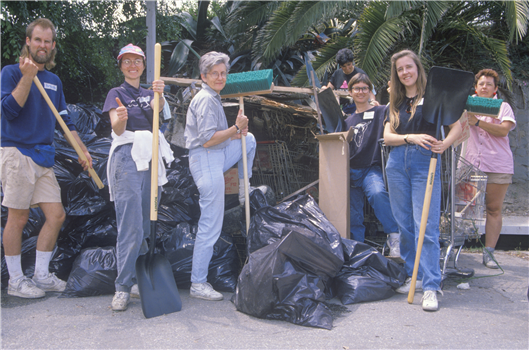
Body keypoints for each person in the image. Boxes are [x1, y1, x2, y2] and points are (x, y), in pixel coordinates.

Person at [0, 18, 92, 298]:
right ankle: (16, 281)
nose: (42, 45)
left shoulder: (54, 81)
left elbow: (66, 122)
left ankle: (40, 275)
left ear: (53, 46)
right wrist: (28, 76)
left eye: (47, 41)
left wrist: (82, 149)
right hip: (16, 152)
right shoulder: (11, 73)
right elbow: (9, 111)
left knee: (56, 215)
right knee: (18, 218)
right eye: (37, 40)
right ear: (28, 42)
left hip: (43, 155)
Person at [383, 50, 462, 311]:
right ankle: (412, 275)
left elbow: (458, 127)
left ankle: (431, 286)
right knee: (404, 225)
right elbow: (388, 136)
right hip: (396, 163)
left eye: (409, 67)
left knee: (425, 225)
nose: (405, 72)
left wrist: (444, 145)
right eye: (400, 70)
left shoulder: (434, 97)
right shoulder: (394, 102)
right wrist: (411, 137)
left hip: (424, 162)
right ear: (396, 75)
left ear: (417, 68)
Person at [184, 51, 260, 301]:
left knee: (247, 140)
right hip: (205, 160)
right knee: (210, 225)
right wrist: (235, 127)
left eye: (223, 73)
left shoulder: (213, 97)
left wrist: (237, 134)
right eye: (214, 73)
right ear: (204, 76)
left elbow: (218, 137)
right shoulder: (206, 99)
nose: (219, 77)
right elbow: (207, 140)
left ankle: (243, 187)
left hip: (215, 156)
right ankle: (198, 283)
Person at [102, 43, 171, 311]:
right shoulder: (115, 93)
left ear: (143, 65)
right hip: (128, 157)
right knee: (129, 225)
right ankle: (122, 286)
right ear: (121, 66)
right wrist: (120, 118)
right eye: (127, 61)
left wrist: (161, 96)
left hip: (151, 157)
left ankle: (139, 281)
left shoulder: (150, 91)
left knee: (145, 222)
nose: (132, 66)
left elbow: (160, 115)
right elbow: (117, 130)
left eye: (137, 61)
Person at [464, 69, 516, 269]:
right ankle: (458, 249)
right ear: (475, 87)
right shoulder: (466, 104)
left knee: (493, 208)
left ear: (495, 89)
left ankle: (489, 252)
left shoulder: (503, 107)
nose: (484, 86)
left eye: (489, 84)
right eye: (481, 83)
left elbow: (503, 130)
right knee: (462, 209)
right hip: (469, 163)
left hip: (497, 164)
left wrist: (478, 122)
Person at [344, 73, 400, 256]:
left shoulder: (381, 111)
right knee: (353, 214)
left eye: (364, 88)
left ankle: (394, 235)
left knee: (377, 193)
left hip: (370, 168)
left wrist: (393, 90)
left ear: (370, 91)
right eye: (357, 88)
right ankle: (356, 250)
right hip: (350, 170)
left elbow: (397, 106)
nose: (360, 92)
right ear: (350, 92)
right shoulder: (347, 121)